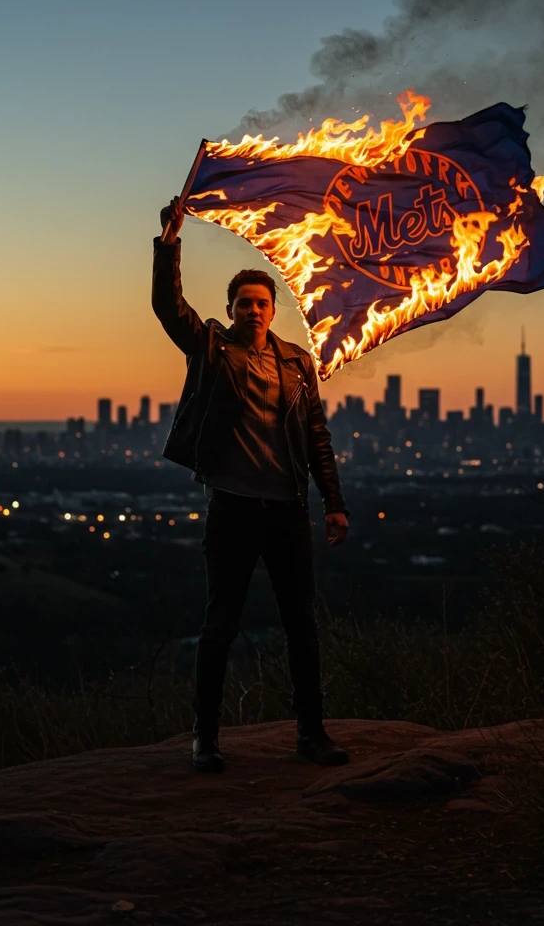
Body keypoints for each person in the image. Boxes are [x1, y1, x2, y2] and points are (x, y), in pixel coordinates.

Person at [152, 195, 351, 773]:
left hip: (287, 511)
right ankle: (205, 739)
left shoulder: (295, 363)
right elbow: (170, 309)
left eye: (262, 304)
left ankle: (311, 735)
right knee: (220, 625)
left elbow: (317, 437)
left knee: (302, 626)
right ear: (232, 309)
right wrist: (170, 243)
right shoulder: (214, 350)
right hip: (234, 510)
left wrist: (333, 505)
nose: (254, 311)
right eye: (244, 304)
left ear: (273, 308)